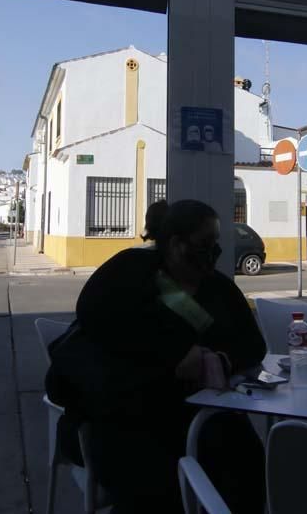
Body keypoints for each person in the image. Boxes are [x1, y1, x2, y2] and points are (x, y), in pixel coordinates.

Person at [46, 199, 267, 513]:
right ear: (177, 245)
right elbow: (98, 317)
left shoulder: (219, 289)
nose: (215, 251)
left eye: (217, 242)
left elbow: (253, 345)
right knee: (154, 481)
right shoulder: (129, 272)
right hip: (130, 418)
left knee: (245, 454)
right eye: (206, 243)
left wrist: (218, 361)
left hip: (203, 414)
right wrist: (175, 357)